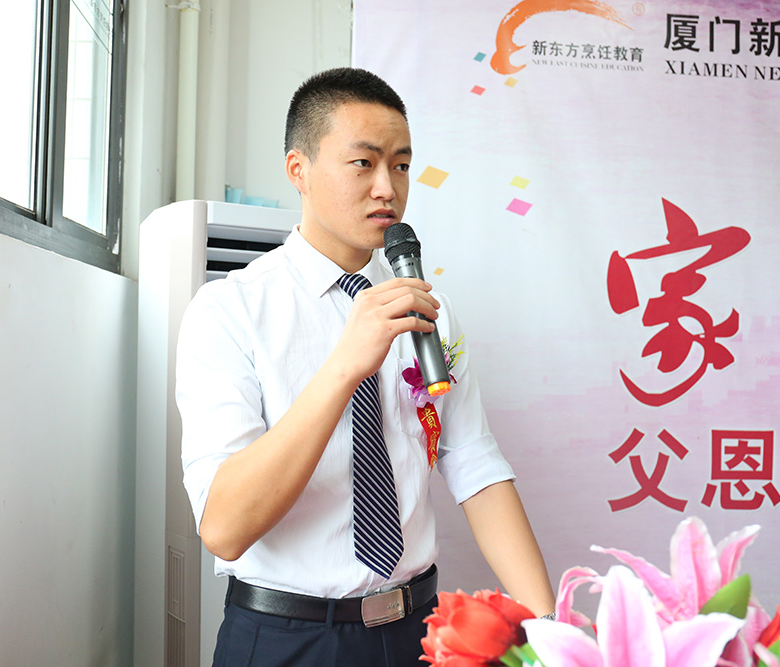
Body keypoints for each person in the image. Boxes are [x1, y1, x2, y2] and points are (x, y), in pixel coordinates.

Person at [176, 67, 555, 666]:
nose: (387, 187)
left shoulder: (426, 306)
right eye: (364, 163)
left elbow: (476, 467)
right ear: (298, 170)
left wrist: (551, 631)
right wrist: (344, 368)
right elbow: (224, 528)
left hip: (417, 632)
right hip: (285, 638)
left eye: (401, 166)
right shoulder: (230, 310)